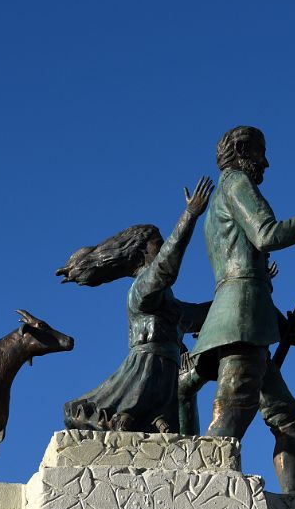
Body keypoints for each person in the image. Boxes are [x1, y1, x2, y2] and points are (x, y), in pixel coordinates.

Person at [189, 125, 295, 494]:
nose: (266, 162)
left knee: (289, 418)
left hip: (248, 316)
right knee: (234, 412)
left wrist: (280, 325)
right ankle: (201, 493)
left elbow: (248, 269)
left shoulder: (222, 197)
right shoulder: (235, 184)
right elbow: (267, 235)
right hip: (241, 321)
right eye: (260, 153)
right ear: (242, 153)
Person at [59, 177, 214, 433]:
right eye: (158, 242)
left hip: (166, 380)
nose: (163, 246)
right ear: (141, 250)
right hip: (144, 373)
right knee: (116, 418)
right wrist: (190, 216)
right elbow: (167, 267)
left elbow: (202, 314)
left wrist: (247, 286)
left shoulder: (169, 304)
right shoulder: (142, 287)